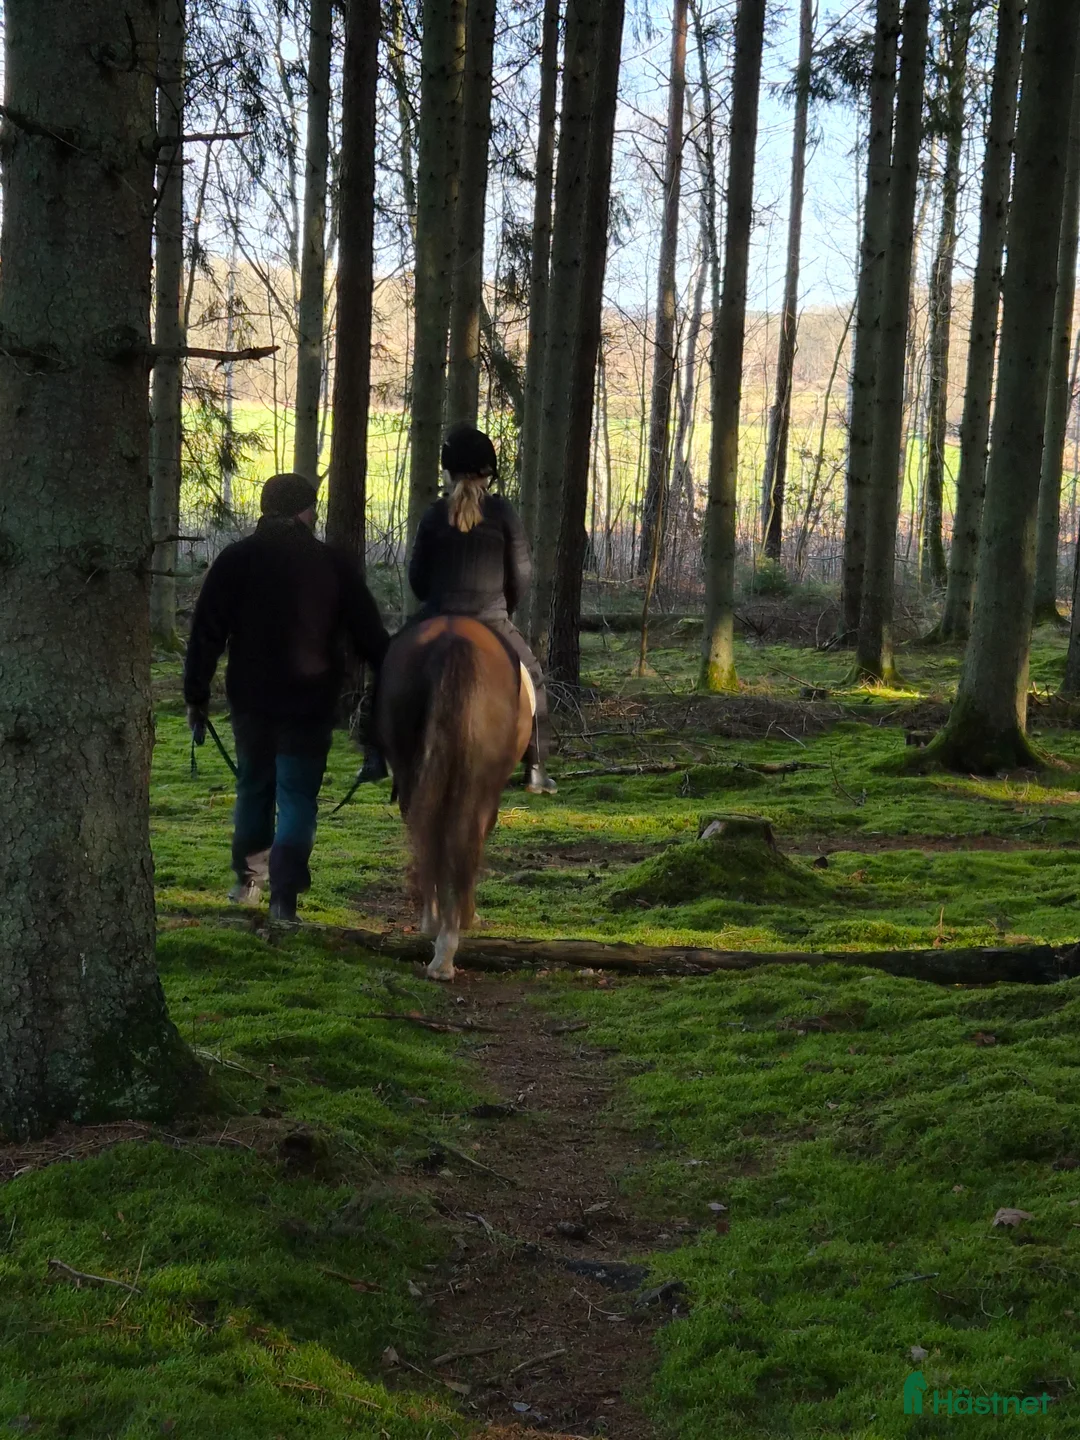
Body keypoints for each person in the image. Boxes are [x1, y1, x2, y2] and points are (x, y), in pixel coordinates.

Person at [183, 473, 390, 920]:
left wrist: (195, 696)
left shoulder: (237, 559)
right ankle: (285, 898)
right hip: (310, 703)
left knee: (253, 787)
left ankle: (247, 883)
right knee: (297, 797)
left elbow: (206, 633)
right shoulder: (331, 563)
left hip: (251, 700)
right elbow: (371, 637)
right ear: (304, 509)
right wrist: (386, 688)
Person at [405, 423, 557, 796]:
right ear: (487, 472)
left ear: (449, 469)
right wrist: (505, 607)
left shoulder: (433, 514)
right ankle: (535, 768)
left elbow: (418, 578)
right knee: (533, 677)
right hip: (491, 619)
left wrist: (433, 603)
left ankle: (376, 752)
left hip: (438, 617)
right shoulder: (503, 513)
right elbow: (521, 574)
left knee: (391, 660)